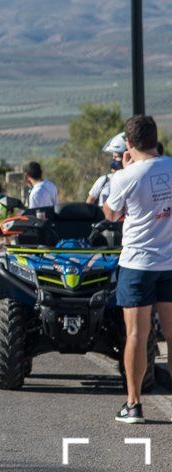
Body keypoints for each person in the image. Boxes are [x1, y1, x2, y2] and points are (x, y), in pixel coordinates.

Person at [103, 114, 172, 424]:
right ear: (156, 139)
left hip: (138, 264)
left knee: (136, 334)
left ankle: (133, 405)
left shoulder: (124, 177)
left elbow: (110, 214)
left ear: (128, 144)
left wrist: (126, 170)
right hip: (170, 262)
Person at [87, 132, 126, 207]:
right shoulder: (104, 181)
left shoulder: (133, 181)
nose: (113, 161)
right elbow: (89, 203)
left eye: (116, 157)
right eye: (113, 157)